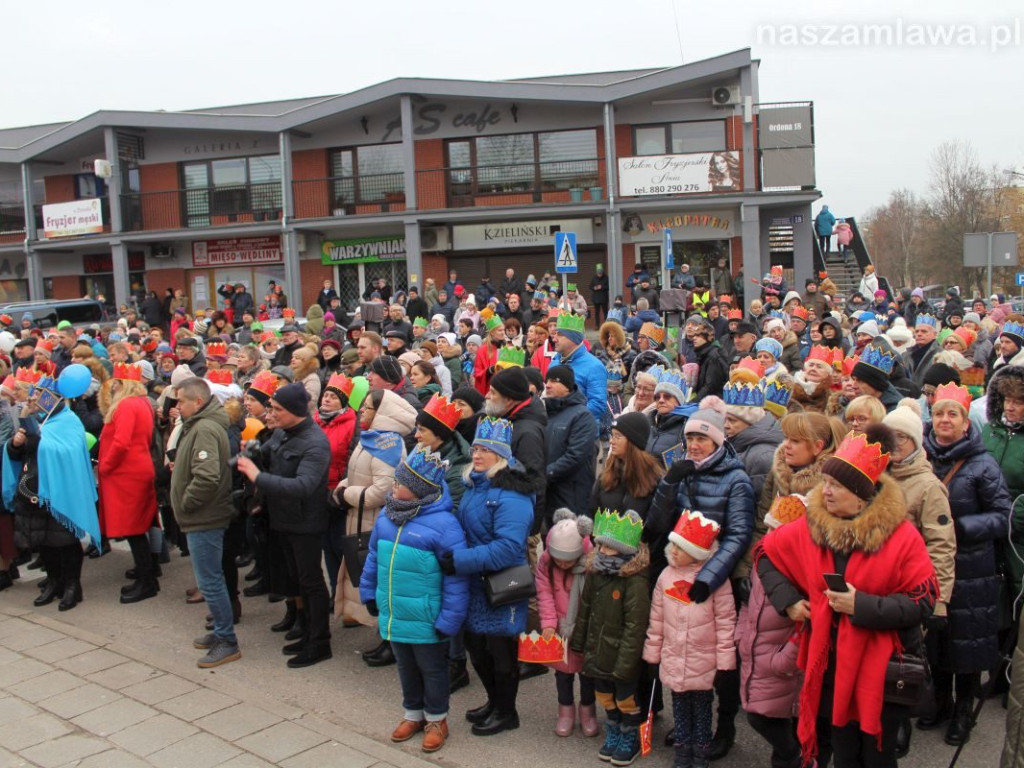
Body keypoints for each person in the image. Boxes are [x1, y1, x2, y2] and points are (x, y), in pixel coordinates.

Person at [757, 426, 938, 768]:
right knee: (841, 752)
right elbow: (765, 554)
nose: (824, 492)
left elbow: (923, 601)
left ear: (862, 495)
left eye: (835, 486)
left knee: (875, 756)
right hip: (828, 667)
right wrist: (789, 601)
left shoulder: (903, 537)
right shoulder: (811, 525)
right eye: (825, 482)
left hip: (881, 672)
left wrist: (863, 606)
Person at [646, 399, 755, 760]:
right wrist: (668, 482)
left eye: (702, 439)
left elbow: (739, 534)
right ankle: (688, 725)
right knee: (683, 648)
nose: (694, 444)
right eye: (690, 436)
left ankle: (721, 728)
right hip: (680, 571)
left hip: (716, 578)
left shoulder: (735, 479)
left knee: (718, 657)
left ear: (718, 441)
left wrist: (709, 577)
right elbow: (659, 523)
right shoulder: (684, 470)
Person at [360, 446, 469, 754]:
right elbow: (372, 558)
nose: (394, 487)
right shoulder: (387, 515)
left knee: (432, 669)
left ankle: (437, 719)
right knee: (405, 666)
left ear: (420, 489)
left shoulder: (445, 525)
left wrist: (449, 620)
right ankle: (413, 713)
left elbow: (456, 579)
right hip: (394, 610)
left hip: (426, 615)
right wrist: (368, 592)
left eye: (400, 484)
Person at [921, 382, 1012, 744]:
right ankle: (941, 703)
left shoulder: (982, 464)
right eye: (940, 412)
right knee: (938, 639)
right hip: (930, 564)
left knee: (969, 642)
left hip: (972, 567)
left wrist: (957, 527)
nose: (945, 419)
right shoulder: (922, 458)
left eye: (952, 414)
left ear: (965, 423)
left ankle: (963, 714)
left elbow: (1003, 515)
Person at [443, 417, 534, 736]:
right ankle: (493, 701)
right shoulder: (474, 483)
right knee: (476, 649)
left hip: (501, 584)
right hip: (474, 582)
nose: (477, 454)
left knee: (501, 654)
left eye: (485, 450)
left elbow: (509, 548)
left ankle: (507, 712)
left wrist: (459, 560)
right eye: (476, 448)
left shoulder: (512, 492)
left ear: (501, 456)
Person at [235, 383, 334, 669]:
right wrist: (252, 452)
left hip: (305, 522)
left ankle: (320, 642)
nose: (271, 414)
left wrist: (257, 476)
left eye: (277, 410)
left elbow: (303, 486)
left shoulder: (315, 443)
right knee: (294, 578)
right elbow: (268, 455)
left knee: (311, 582)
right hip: (282, 518)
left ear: (295, 412)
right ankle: (304, 630)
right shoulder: (282, 432)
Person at [882, 398, 956, 756]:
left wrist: (938, 601)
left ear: (915, 441)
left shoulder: (928, 486)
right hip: (877, 586)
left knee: (904, 660)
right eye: (889, 437)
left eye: (903, 438)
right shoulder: (877, 475)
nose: (895, 445)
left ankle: (901, 725)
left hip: (912, 590)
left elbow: (941, 546)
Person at [645, 511, 737, 768]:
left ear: (697, 552)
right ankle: (682, 752)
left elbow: (726, 623)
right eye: (672, 545)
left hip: (703, 662)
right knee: (680, 707)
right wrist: (653, 656)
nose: (673, 551)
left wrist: (725, 664)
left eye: (680, 547)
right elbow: (657, 621)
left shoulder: (716, 582)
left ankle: (701, 754)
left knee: (702, 708)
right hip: (675, 658)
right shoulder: (665, 578)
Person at [6, 370, 98, 612]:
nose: (33, 399)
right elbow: (24, 454)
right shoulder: (35, 420)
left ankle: (72, 586)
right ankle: (54, 581)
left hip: (60, 492)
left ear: (52, 397)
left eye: (39, 395)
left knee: (64, 541)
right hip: (33, 490)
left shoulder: (68, 421)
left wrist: (37, 439)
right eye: (34, 394)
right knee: (43, 541)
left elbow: (66, 452)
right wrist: (15, 445)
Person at [333, 388, 416, 659]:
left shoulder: (388, 443)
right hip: (360, 516)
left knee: (383, 583)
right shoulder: (372, 438)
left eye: (367, 408)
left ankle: (392, 643)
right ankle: (385, 638)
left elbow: (383, 490)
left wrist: (346, 495)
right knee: (371, 579)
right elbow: (358, 476)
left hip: (375, 519)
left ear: (382, 413)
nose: (362, 412)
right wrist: (345, 487)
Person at [570, 509, 651, 766]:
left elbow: (635, 626)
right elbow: (585, 610)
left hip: (620, 654)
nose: (602, 551)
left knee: (626, 698)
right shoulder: (596, 572)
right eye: (601, 545)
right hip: (598, 650)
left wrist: (627, 662)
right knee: (603, 693)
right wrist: (579, 642)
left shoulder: (634, 581)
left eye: (608, 547)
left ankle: (630, 735)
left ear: (625, 550)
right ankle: (613, 729)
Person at [171, 377, 240, 668]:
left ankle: (227, 640)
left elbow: (208, 475)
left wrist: (187, 502)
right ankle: (222, 633)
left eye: (180, 401)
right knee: (210, 579)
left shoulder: (205, 428)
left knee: (210, 581)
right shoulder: (199, 425)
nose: (176, 406)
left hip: (205, 516)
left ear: (197, 402)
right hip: (201, 516)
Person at [737, 493, 805, 768]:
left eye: (777, 530)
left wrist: (784, 658)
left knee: (765, 716)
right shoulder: (763, 560)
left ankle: (791, 755)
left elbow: (805, 623)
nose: (769, 536)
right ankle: (787, 756)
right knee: (763, 712)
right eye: (768, 528)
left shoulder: (800, 569)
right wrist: (741, 635)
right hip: (757, 649)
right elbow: (749, 603)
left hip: (779, 659)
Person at [99, 363, 160, 604]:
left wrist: (106, 466)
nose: (113, 386)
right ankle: (147, 576)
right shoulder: (143, 403)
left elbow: (122, 442)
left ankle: (147, 582)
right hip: (138, 469)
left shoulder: (125, 405)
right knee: (140, 527)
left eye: (116, 382)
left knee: (134, 530)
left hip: (127, 474)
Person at [535, 509, 597, 738]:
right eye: (558, 559)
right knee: (563, 675)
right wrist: (549, 623)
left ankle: (588, 711)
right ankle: (566, 711)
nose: (562, 564)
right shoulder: (547, 562)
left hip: (584, 628)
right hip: (560, 628)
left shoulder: (592, 565)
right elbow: (544, 593)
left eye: (567, 560)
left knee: (587, 674)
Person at [314, 373, 360, 600]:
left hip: (339, 493)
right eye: (326, 395)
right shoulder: (316, 421)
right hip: (318, 491)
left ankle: (350, 598)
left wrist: (341, 489)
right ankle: (335, 594)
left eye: (333, 396)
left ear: (343, 401)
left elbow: (351, 458)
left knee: (342, 547)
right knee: (327, 549)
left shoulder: (352, 423)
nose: (327, 399)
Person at [542, 365, 597, 529]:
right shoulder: (548, 414)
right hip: (550, 493)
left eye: (554, 381)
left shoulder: (582, 416)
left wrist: (545, 473)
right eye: (547, 380)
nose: (548, 385)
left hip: (571, 495)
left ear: (567, 386)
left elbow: (575, 456)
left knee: (569, 544)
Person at [722, 380, 784, 501]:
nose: (726, 425)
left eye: (732, 420)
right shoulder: (736, 443)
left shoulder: (762, 457)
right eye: (725, 419)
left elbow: (757, 503)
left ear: (750, 421)